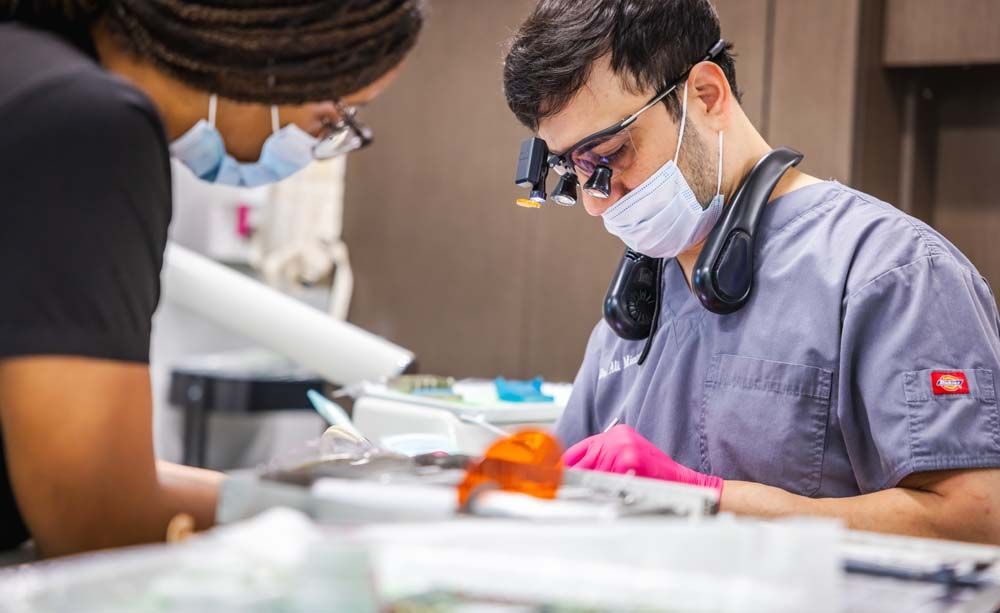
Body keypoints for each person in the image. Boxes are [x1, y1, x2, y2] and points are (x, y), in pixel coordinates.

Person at [503, 0, 1000, 543]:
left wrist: (713, 504)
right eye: (576, 172)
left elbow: (979, 521)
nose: (599, 205)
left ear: (707, 96)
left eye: (613, 154)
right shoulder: (636, 305)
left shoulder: (893, 273)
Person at [0, 0, 423, 557]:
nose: (322, 146)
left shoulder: (25, 63)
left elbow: (86, 476)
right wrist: (329, 521)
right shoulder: (89, 125)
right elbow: (96, 523)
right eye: (335, 118)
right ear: (275, 51)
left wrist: (298, 500)